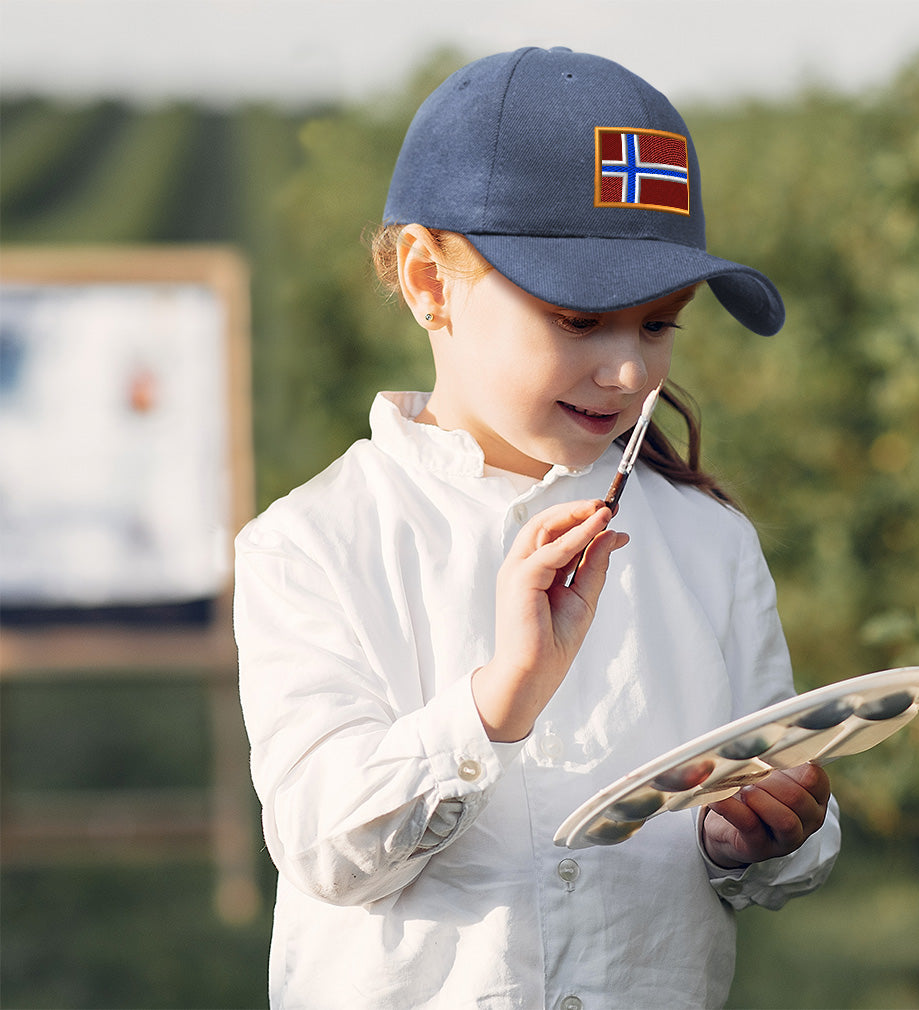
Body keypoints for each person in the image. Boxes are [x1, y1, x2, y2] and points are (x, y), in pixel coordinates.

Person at [235, 46, 840, 1010]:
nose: (631, 372)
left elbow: (779, 803)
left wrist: (756, 834)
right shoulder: (313, 544)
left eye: (658, 324)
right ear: (429, 280)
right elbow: (324, 850)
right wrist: (495, 703)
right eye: (576, 319)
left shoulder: (709, 544)